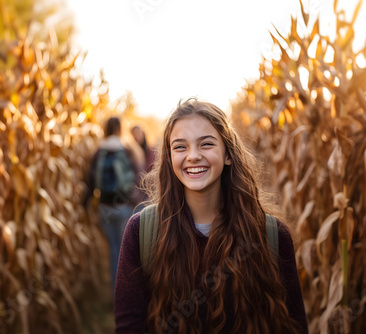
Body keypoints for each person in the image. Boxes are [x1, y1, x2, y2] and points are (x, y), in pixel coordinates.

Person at [114, 99, 308, 333]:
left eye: (206, 144)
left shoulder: (271, 235)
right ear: (169, 158)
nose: (193, 156)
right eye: (180, 147)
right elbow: (129, 326)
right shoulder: (141, 232)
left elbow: (293, 326)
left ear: (228, 154)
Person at [85, 116, 140, 290]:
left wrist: (86, 203)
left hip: (105, 208)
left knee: (114, 250)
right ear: (120, 128)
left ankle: (116, 293)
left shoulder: (98, 151)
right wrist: (134, 203)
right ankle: (129, 292)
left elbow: (91, 182)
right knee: (127, 252)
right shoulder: (127, 149)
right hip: (124, 207)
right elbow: (138, 179)